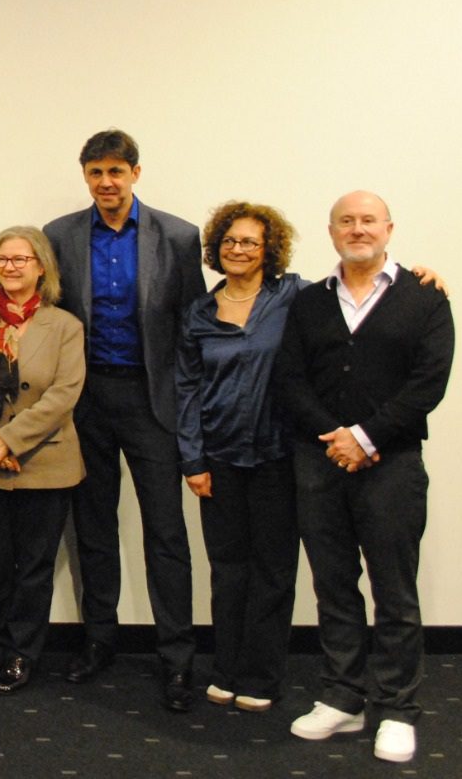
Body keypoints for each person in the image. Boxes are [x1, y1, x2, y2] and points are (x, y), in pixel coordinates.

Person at [274, 191, 454, 765]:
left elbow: (429, 382)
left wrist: (367, 437)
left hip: (392, 465)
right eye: (346, 221)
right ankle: (343, 697)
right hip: (320, 462)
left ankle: (397, 709)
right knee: (333, 586)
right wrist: (336, 436)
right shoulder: (309, 301)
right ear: (331, 233)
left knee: (394, 592)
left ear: (388, 229)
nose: (358, 229)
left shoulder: (423, 297)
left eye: (368, 220)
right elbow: (290, 378)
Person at [43, 129, 204, 712]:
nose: (106, 182)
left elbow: (192, 326)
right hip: (85, 400)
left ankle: (177, 657)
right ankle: (99, 640)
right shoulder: (60, 235)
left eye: (116, 171)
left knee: (166, 533)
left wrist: (189, 408)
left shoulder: (179, 237)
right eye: (96, 172)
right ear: (85, 176)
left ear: (136, 173)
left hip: (152, 400)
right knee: (93, 527)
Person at [0, 226, 85, 694]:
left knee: (34, 567)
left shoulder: (65, 327)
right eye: (2, 259)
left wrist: (8, 441)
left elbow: (64, 394)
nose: (10, 267)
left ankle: (23, 652)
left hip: (44, 464)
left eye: (20, 259)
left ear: (41, 266)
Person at [175, 201, 303, 714]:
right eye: (229, 241)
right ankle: (226, 669)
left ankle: (261, 676)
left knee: (273, 571)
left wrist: (416, 276)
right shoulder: (199, 313)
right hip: (219, 458)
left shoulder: (293, 297)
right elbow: (186, 389)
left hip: (278, 457)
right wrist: (192, 460)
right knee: (228, 570)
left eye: (250, 241)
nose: (238, 249)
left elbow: (354, 288)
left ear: (269, 249)